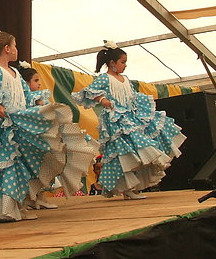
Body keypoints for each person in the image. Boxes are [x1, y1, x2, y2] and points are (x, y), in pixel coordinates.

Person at [0, 25, 61, 223]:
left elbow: (25, 96)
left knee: (18, 167)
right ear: (7, 49)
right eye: (15, 45)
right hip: (5, 127)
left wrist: (37, 103)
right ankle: (7, 209)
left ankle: (14, 207)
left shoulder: (16, 73)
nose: (17, 49)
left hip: (18, 124)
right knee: (8, 166)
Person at [72, 41, 186, 199]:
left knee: (135, 151)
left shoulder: (125, 79)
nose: (125, 65)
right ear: (112, 63)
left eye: (125, 62)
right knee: (126, 153)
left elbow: (132, 96)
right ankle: (128, 188)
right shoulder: (105, 78)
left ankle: (132, 186)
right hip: (116, 121)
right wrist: (102, 99)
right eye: (122, 62)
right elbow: (91, 92)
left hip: (131, 118)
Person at [17, 61, 98, 207]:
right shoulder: (28, 99)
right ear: (25, 83)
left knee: (45, 168)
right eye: (35, 80)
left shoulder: (37, 97)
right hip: (37, 140)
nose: (39, 84)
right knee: (37, 170)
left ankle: (39, 198)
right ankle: (33, 199)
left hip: (45, 139)